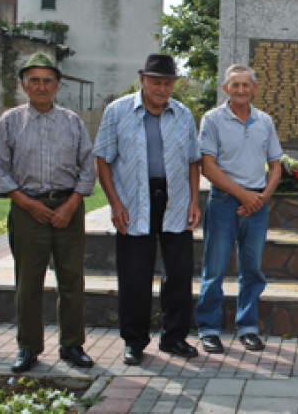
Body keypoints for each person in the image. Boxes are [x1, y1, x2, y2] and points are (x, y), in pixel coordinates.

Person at [0, 52, 96, 373]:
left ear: (57, 85)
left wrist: (71, 205)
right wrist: (29, 204)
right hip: (27, 210)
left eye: (48, 80)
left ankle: (72, 345)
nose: (41, 86)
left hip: (68, 208)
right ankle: (29, 347)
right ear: (23, 85)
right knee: (29, 283)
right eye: (34, 80)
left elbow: (88, 168)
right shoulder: (9, 122)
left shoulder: (72, 122)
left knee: (72, 281)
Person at [93, 53, 202, 365]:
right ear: (142, 80)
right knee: (134, 275)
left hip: (176, 201)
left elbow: (194, 161)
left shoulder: (182, 114)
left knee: (179, 274)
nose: (162, 88)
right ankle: (134, 341)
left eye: (168, 83)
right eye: (156, 82)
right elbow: (102, 158)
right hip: (133, 201)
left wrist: (194, 201)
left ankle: (174, 337)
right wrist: (114, 203)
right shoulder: (118, 111)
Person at [194, 64, 283, 354]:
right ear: (225, 88)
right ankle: (209, 328)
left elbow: (276, 165)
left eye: (246, 85)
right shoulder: (212, 119)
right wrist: (244, 196)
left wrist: (261, 197)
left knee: (252, 269)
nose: (241, 89)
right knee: (215, 269)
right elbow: (207, 166)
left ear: (255, 88)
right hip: (223, 203)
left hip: (257, 205)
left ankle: (247, 327)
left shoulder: (265, 121)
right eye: (235, 85)